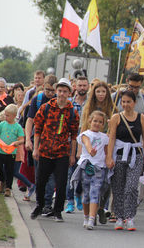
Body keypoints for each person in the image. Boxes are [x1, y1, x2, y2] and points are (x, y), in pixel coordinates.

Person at [30, 78, 79, 222]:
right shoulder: (46, 107)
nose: (62, 94)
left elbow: (74, 136)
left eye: (65, 91)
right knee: (40, 181)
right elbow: (37, 129)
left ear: (69, 93)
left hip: (62, 152)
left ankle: (58, 210)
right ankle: (40, 205)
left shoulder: (72, 112)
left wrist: (72, 155)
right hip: (45, 150)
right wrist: (36, 148)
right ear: (56, 91)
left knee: (62, 182)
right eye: (59, 91)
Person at [106, 90, 144, 231]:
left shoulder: (142, 118)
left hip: (136, 155)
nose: (126, 104)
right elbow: (112, 138)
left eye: (129, 102)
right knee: (118, 188)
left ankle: (130, 217)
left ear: (134, 103)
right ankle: (119, 217)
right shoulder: (116, 117)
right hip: (119, 155)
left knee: (131, 187)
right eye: (124, 102)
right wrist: (109, 157)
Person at [24, 75, 58, 216]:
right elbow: (30, 120)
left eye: (52, 90)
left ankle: (48, 204)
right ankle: (42, 202)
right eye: (47, 90)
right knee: (40, 174)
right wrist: (28, 139)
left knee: (51, 175)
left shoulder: (59, 101)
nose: (50, 93)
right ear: (43, 87)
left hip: (55, 143)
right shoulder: (37, 100)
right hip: (39, 141)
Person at [75, 111, 109, 230]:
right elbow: (87, 144)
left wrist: (109, 161)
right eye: (95, 121)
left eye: (100, 122)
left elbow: (106, 151)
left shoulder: (105, 137)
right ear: (90, 121)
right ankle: (86, 216)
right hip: (87, 167)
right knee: (86, 195)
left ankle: (91, 219)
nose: (97, 124)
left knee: (95, 192)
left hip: (99, 168)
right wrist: (91, 151)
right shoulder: (85, 134)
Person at [65, 76, 89, 214]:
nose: (82, 88)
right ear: (75, 87)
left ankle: (78, 195)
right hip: (71, 141)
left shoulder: (90, 104)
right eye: (79, 85)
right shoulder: (70, 103)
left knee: (82, 173)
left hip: (85, 142)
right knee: (70, 173)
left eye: (84, 85)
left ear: (88, 87)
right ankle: (70, 201)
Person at [0, 104, 25, 197]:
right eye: (5, 114)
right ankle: (2, 181)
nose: (6, 117)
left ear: (14, 116)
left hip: (11, 152)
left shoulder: (17, 127)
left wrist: (17, 143)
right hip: (0, 150)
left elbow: (22, 139)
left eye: (8, 115)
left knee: (9, 170)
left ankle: (8, 188)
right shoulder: (1, 124)